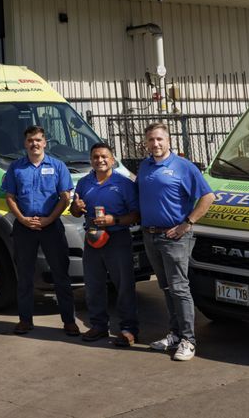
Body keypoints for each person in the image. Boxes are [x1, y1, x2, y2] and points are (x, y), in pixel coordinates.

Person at [138, 123, 215, 362]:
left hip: (174, 238)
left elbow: (208, 196)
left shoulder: (183, 166)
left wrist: (188, 223)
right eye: (151, 140)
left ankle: (188, 340)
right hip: (150, 236)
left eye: (159, 139)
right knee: (166, 287)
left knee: (179, 288)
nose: (155, 144)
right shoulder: (145, 166)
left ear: (169, 141)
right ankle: (174, 334)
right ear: (146, 143)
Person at [2, 125, 80, 336]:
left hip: (51, 227)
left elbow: (65, 197)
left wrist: (48, 220)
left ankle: (69, 321)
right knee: (24, 275)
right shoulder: (16, 168)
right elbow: (10, 196)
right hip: (24, 227)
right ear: (25, 143)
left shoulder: (58, 166)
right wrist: (22, 219)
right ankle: (25, 320)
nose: (34, 144)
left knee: (61, 274)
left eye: (38, 140)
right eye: (30, 140)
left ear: (45, 142)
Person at [70, 143, 140, 346]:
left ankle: (128, 329)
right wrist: (76, 207)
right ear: (91, 160)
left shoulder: (124, 183)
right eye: (95, 157)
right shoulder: (84, 183)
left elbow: (136, 215)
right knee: (93, 285)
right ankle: (99, 325)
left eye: (104, 157)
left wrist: (114, 220)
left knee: (124, 285)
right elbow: (76, 212)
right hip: (92, 237)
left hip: (117, 238)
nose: (100, 160)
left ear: (112, 160)